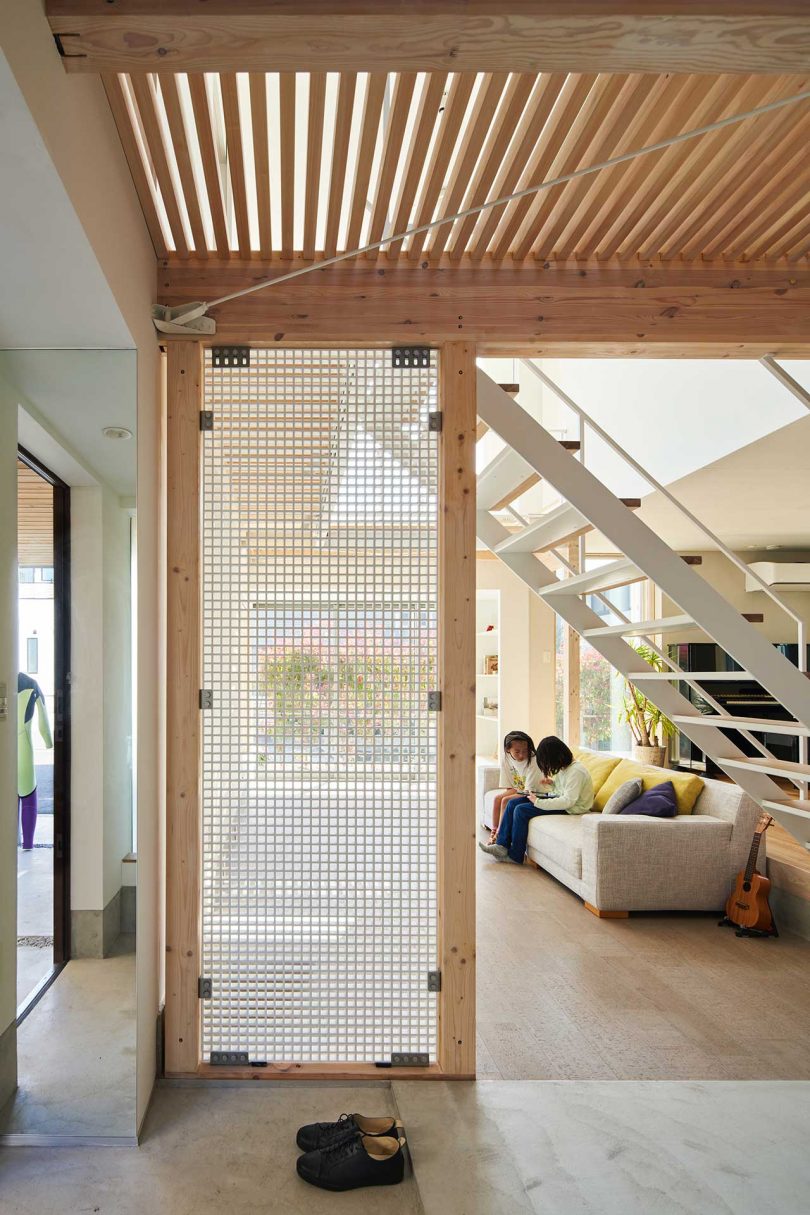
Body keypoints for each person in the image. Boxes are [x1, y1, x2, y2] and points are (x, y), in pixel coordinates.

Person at [479, 735, 594, 866]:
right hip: (563, 801)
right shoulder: (566, 768)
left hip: (572, 809)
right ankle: (501, 845)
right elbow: (564, 790)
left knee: (521, 810)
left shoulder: (576, 771)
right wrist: (552, 784)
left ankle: (516, 855)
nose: (549, 766)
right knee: (512, 803)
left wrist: (538, 802)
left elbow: (568, 801)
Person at [18, 672, 53, 851]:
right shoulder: (31, 684)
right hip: (25, 750)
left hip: (6, 750)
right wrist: (49, 741)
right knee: (28, 797)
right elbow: (43, 719)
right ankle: (28, 843)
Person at [488, 730, 541, 843]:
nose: (521, 755)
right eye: (517, 752)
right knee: (497, 799)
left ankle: (499, 836)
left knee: (506, 801)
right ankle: (493, 831)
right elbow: (509, 785)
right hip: (520, 789)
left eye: (525, 751)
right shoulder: (506, 757)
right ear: (508, 749)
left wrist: (511, 796)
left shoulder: (534, 760)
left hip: (533, 792)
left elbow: (528, 791)